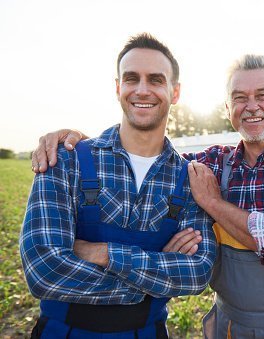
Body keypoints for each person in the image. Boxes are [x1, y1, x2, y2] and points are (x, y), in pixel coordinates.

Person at [33, 55, 264, 338]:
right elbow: (148, 153)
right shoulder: (210, 165)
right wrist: (86, 145)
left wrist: (213, 203)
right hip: (228, 326)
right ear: (227, 109)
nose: (251, 106)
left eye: (262, 96)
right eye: (239, 98)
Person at [20, 33, 216, 339]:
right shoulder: (64, 160)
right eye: (131, 78)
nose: (142, 90)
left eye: (155, 79)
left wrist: (103, 254)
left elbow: (196, 274)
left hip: (148, 333)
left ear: (175, 92)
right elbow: (44, 271)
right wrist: (152, 282)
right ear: (117, 87)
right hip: (62, 332)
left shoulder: (190, 179)